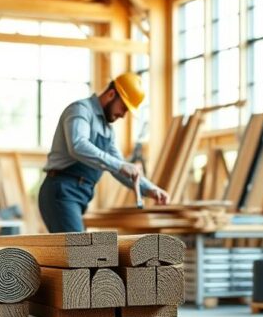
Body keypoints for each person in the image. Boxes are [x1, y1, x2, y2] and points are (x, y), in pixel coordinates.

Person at [38, 72, 170, 233]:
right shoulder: (80, 111)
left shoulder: (108, 131)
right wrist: (120, 165)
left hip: (81, 195)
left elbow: (121, 170)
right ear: (111, 94)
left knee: (74, 255)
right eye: (123, 107)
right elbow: (78, 145)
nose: (123, 115)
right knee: (80, 254)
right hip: (61, 190)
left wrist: (150, 189)